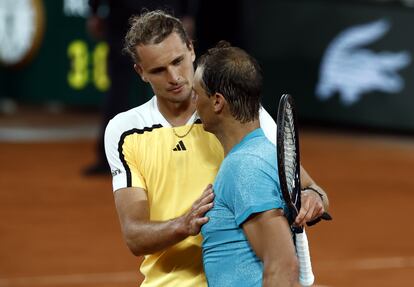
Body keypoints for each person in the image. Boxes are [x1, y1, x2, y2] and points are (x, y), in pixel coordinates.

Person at [104, 10, 329, 287]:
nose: (174, 77)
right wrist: (184, 224)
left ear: (191, 49)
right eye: (158, 70)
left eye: (178, 61)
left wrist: (312, 198)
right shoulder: (125, 131)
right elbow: (135, 236)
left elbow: (308, 187)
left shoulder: (235, 115)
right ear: (140, 72)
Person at [194, 41, 300, 286]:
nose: (193, 102)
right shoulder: (264, 154)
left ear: (217, 102)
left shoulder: (244, 167)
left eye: (196, 93)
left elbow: (282, 266)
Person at [84, 0, 195, 175]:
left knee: (173, 89)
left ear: (191, 49)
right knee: (120, 91)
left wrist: (94, 11)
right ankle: (114, 157)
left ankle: (180, 152)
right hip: (129, 18)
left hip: (151, 16)